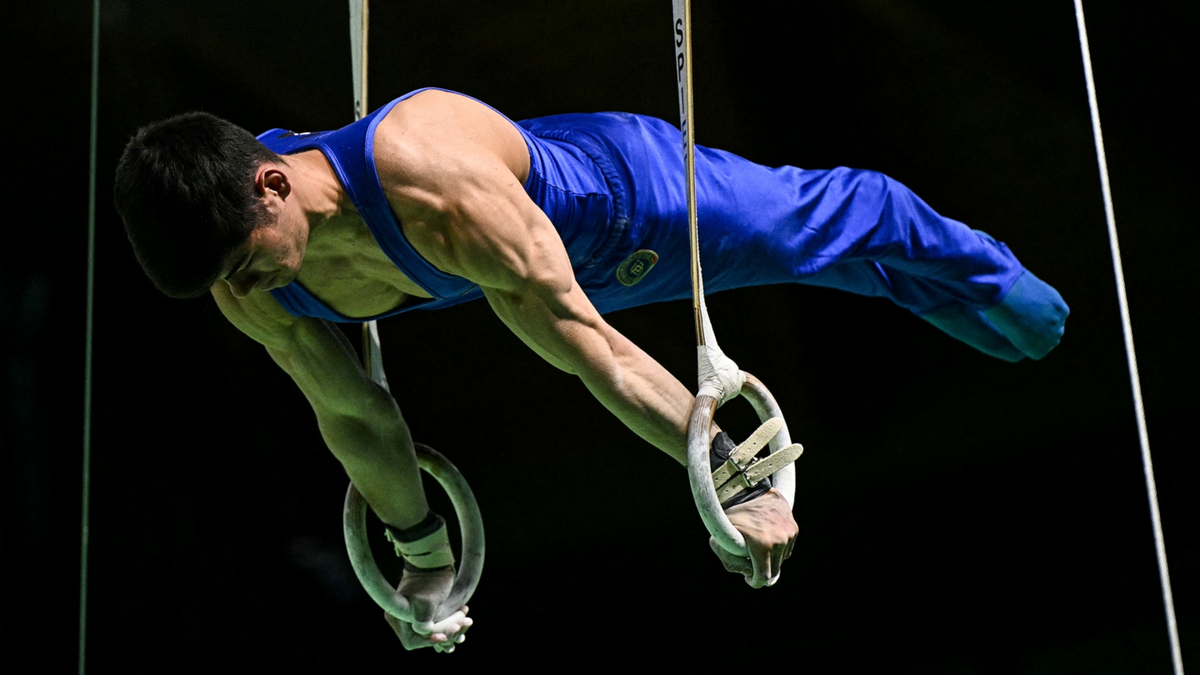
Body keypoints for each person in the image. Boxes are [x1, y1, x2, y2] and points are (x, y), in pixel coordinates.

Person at [113, 87, 1068, 651]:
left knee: (840, 224)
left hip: (635, 204)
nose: (245, 290)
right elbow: (355, 416)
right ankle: (934, 292)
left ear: (270, 183)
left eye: (244, 262)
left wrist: (734, 477)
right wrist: (425, 564)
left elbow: (592, 350)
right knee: (834, 256)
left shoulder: (427, 181)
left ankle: (990, 279)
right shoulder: (244, 278)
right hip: (543, 281)